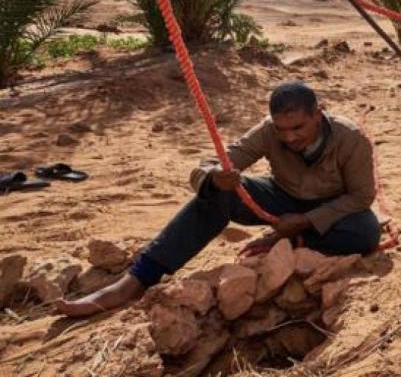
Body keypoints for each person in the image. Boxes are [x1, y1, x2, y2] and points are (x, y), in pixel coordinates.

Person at [56, 81, 381, 317]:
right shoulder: (269, 130)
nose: (289, 137)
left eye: (297, 127)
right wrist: (214, 177)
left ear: (318, 113)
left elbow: (363, 195)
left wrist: (306, 222)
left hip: (330, 210)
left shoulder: (351, 138)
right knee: (218, 194)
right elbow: (210, 164)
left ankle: (295, 237)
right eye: (282, 129)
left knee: (366, 232)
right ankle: (137, 278)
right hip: (282, 198)